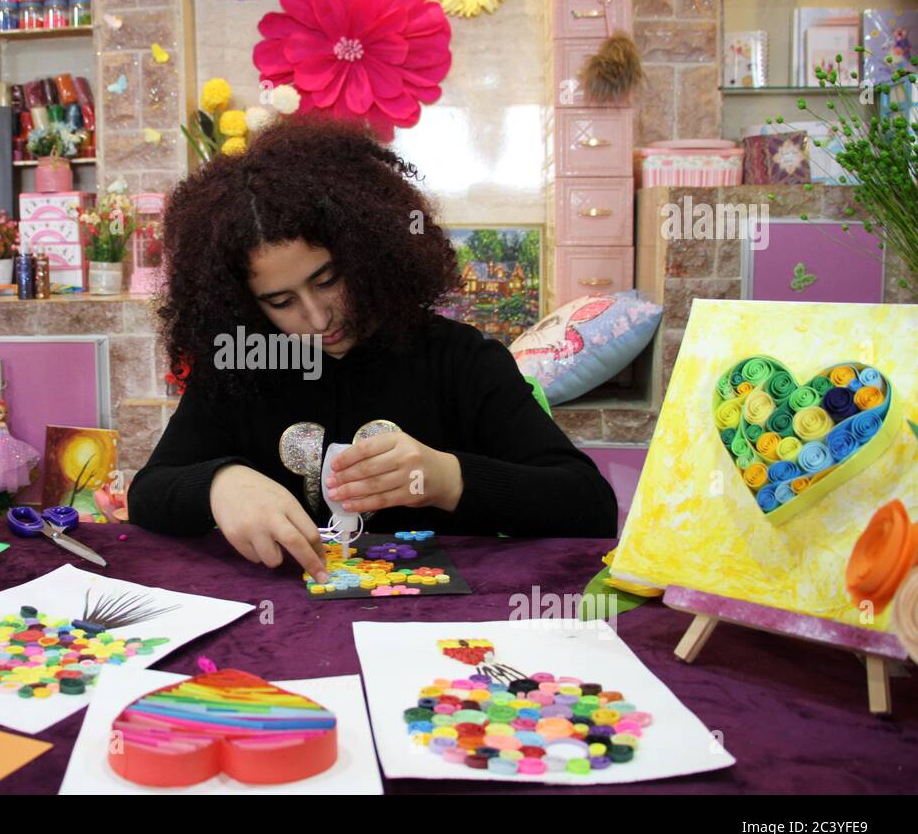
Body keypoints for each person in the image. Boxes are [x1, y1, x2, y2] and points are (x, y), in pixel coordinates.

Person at [128, 117, 618, 582]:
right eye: (281, 302)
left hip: (433, 633)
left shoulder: (459, 360)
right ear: (242, 305)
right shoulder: (241, 365)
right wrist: (220, 484)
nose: (318, 319)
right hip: (290, 627)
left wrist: (448, 478)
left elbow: (589, 508)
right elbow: (148, 494)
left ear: (368, 251)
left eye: (327, 281)